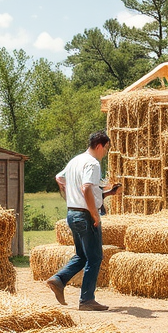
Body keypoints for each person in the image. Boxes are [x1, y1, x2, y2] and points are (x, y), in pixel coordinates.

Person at [46, 131, 120, 311]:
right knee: (95, 257)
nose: (106, 153)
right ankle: (87, 300)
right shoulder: (93, 163)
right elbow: (86, 187)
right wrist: (94, 214)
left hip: (72, 213)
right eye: (107, 149)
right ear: (100, 145)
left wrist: (72, 195)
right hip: (85, 215)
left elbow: (59, 178)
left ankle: (59, 279)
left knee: (82, 255)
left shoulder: (75, 161)